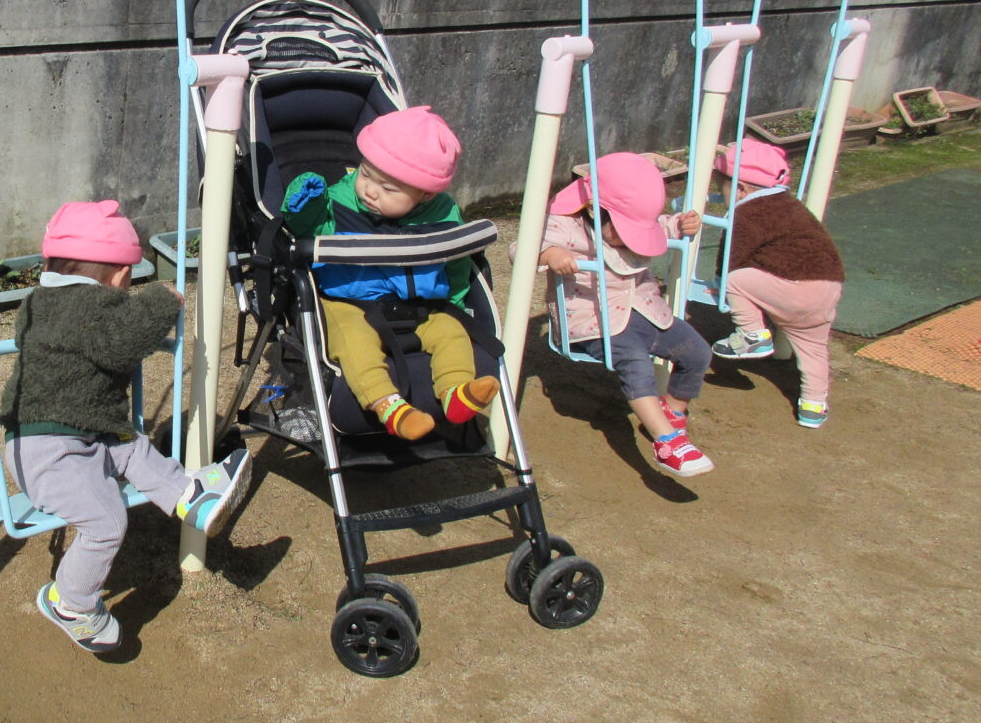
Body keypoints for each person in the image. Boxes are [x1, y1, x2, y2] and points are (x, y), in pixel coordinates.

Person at [0, 200, 252, 653]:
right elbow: (124, 340)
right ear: (119, 275)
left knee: (133, 447)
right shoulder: (85, 306)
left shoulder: (41, 303)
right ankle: (70, 603)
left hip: (81, 435)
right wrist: (161, 300)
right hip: (48, 452)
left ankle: (190, 495)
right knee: (106, 520)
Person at [280, 105, 500, 440]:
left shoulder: (443, 215)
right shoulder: (338, 201)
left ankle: (456, 392)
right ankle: (388, 405)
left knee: (451, 332)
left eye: (389, 188)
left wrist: (454, 302)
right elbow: (308, 230)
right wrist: (305, 206)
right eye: (366, 174)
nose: (370, 190)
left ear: (426, 194)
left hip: (419, 307)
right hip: (348, 304)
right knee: (354, 341)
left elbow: (455, 262)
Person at [535, 152, 713, 477]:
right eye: (624, 229)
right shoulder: (566, 226)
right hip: (596, 323)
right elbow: (525, 246)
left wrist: (680, 224)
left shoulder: (630, 222)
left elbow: (659, 227)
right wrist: (552, 253)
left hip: (645, 312)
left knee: (698, 352)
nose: (630, 238)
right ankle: (666, 442)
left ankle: (672, 411)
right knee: (636, 365)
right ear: (593, 209)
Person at [709, 138, 845, 428]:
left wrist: (720, 281)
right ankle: (813, 407)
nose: (722, 194)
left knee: (735, 279)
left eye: (722, 189)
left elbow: (733, 251)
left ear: (741, 188)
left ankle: (752, 334)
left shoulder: (749, 212)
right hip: (828, 286)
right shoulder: (790, 206)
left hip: (793, 287)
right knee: (813, 349)